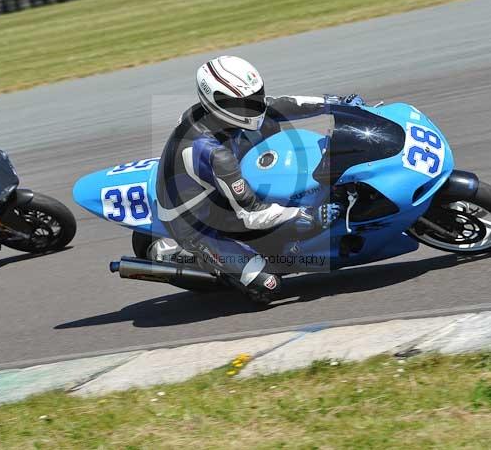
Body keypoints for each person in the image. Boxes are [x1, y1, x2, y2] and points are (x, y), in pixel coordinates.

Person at [156, 55, 366, 303]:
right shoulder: (215, 154)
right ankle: (173, 255)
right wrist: (307, 215)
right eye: (246, 103)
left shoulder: (218, 114)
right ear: (216, 101)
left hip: (213, 185)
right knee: (268, 285)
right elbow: (251, 214)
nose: (255, 106)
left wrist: (336, 103)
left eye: (254, 98)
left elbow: (280, 105)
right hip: (199, 222)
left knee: (269, 124)